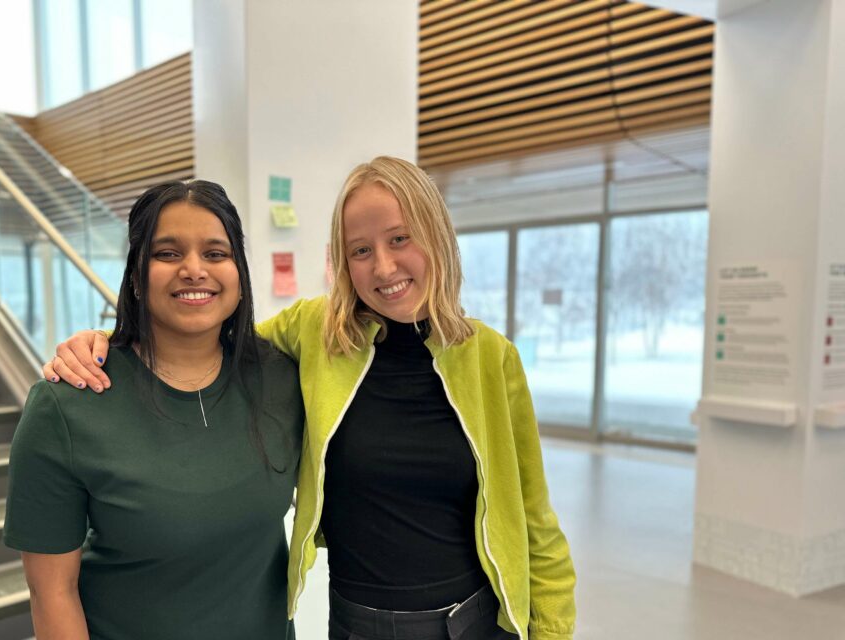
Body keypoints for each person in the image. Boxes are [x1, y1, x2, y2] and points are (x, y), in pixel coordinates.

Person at [46, 157, 576, 640]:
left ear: (437, 237)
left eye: (400, 239)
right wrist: (104, 345)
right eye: (360, 251)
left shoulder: (491, 357)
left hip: (476, 624)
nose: (384, 268)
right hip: (356, 626)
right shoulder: (317, 335)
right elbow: (209, 339)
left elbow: (534, 520)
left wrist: (552, 632)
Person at [4, 180, 303, 640]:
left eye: (215, 253)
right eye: (167, 253)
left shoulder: (281, 378)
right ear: (136, 277)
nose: (193, 269)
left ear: (239, 274)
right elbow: (51, 592)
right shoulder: (69, 402)